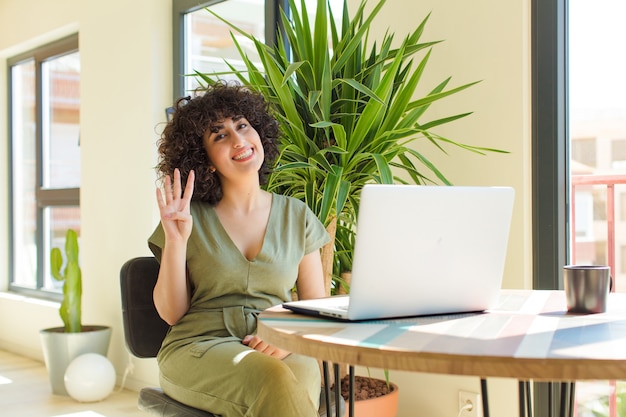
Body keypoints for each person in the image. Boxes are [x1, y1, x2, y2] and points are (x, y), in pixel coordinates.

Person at [148, 81, 330, 417]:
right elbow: (172, 313)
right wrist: (176, 241)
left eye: (242, 125)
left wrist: (286, 334)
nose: (238, 139)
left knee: (301, 371)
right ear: (207, 161)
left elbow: (317, 311)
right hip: (199, 347)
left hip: (278, 342)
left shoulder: (297, 215)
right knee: (271, 376)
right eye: (220, 135)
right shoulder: (188, 217)